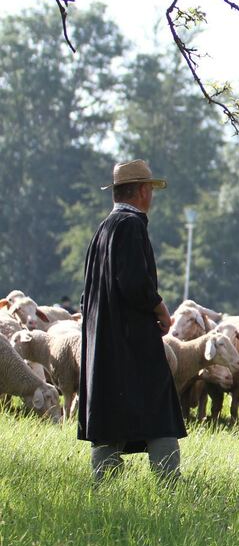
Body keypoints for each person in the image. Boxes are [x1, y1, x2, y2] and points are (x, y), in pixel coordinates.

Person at [78, 160, 185, 482]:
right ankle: (169, 481)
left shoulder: (104, 227)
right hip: (132, 337)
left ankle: (105, 480)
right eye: (150, 190)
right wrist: (160, 309)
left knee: (109, 406)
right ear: (141, 191)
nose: (151, 196)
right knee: (157, 404)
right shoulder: (131, 225)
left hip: (104, 338)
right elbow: (134, 282)